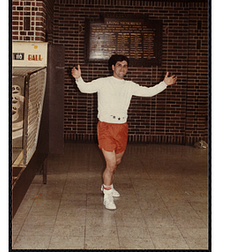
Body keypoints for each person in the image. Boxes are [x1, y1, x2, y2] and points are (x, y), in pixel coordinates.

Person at [71, 55, 177, 210]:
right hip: (106, 126)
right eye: (119, 65)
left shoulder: (129, 85)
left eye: (125, 65)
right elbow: (84, 88)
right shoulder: (103, 82)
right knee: (111, 163)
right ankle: (107, 196)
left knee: (116, 163)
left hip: (121, 127)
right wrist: (78, 78)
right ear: (113, 67)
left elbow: (148, 92)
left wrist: (164, 84)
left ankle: (108, 185)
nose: (122, 68)